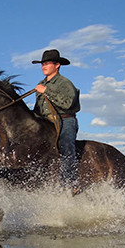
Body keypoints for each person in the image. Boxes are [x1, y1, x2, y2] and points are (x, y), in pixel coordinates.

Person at [32, 49, 81, 190]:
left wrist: (45, 91)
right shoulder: (41, 83)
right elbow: (38, 109)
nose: (43, 67)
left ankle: (69, 183)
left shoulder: (64, 83)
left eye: (47, 63)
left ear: (57, 65)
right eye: (42, 64)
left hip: (65, 120)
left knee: (66, 147)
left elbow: (68, 103)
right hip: (46, 122)